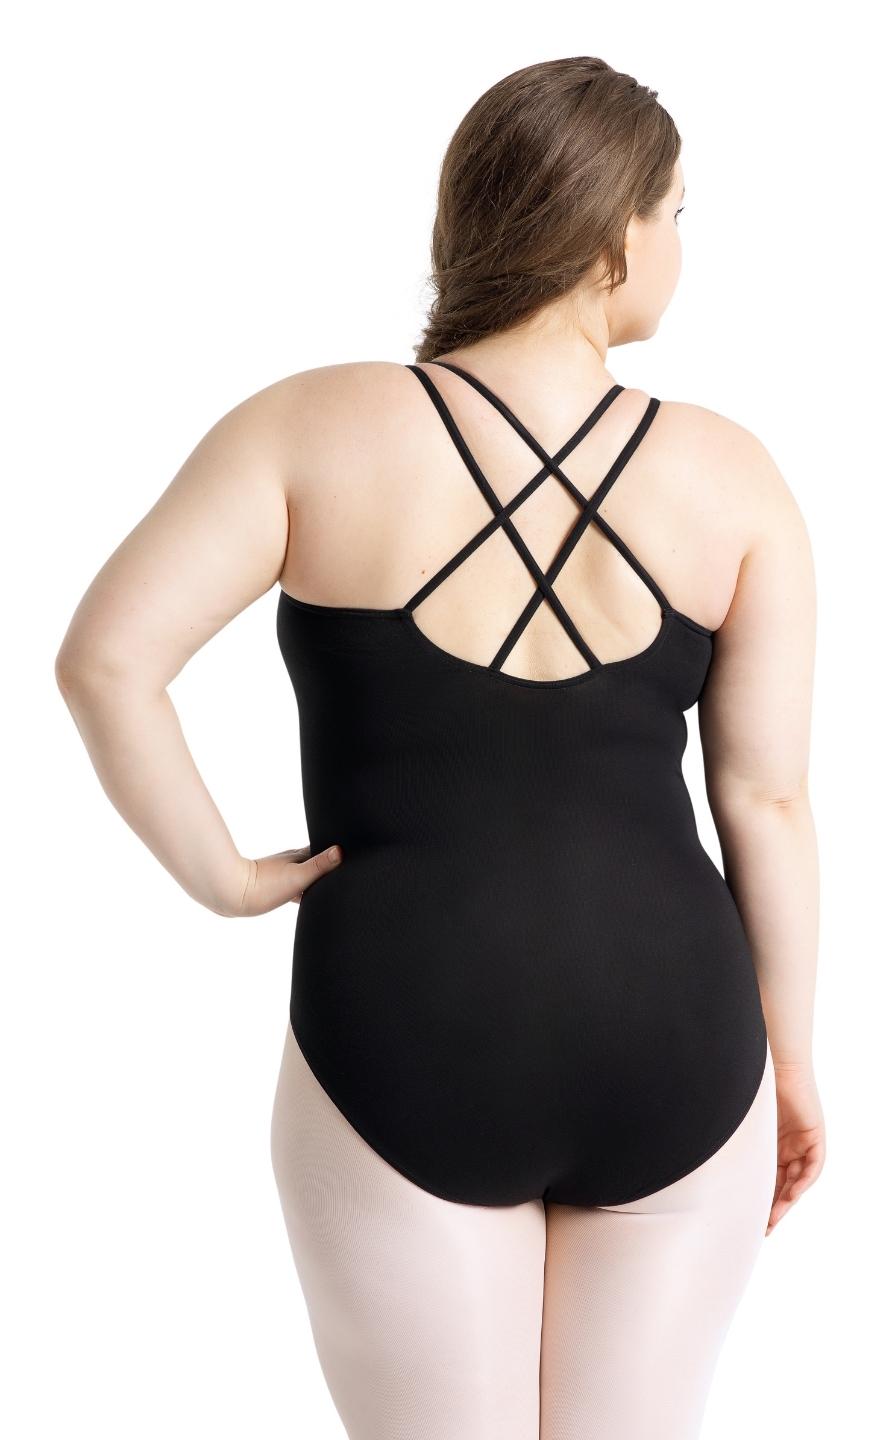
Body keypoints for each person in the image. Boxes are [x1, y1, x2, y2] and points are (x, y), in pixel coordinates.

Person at [55, 55, 824, 1440]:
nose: (679, 245)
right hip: (676, 1034)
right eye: (676, 213)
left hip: (406, 1022)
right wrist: (793, 1056)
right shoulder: (734, 475)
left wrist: (226, 879)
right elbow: (764, 799)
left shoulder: (310, 426)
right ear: (613, 237)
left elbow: (107, 660)